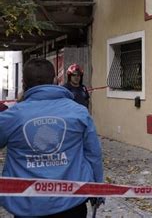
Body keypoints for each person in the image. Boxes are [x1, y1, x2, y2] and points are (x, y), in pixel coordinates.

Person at [0, 58, 103, 217]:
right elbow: (93, 154)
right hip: (72, 202)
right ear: (56, 79)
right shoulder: (79, 112)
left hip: (27, 204)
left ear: (23, 82)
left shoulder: (11, 116)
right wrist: (97, 189)